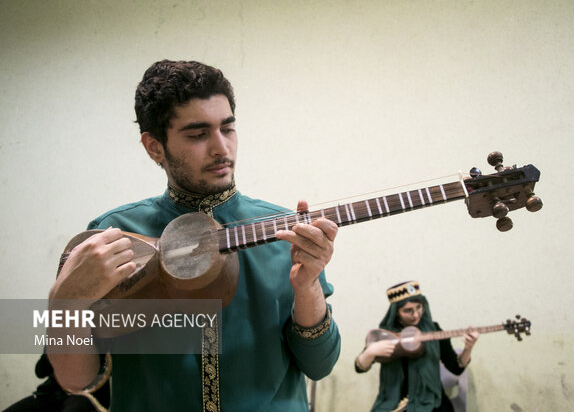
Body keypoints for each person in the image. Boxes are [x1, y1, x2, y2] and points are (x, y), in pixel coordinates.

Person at [47, 60, 341, 412]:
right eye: (198, 134)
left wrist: (307, 288)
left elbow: (320, 367)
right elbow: (77, 381)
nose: (222, 148)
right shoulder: (115, 236)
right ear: (155, 146)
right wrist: (66, 300)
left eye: (227, 129)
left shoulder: (286, 231)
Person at [355, 281, 479, 412]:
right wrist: (370, 352)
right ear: (396, 312)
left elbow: (456, 368)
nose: (416, 315)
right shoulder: (387, 334)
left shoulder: (433, 330)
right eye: (408, 311)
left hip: (431, 402)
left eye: (419, 307)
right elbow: (359, 367)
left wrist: (468, 348)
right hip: (395, 403)